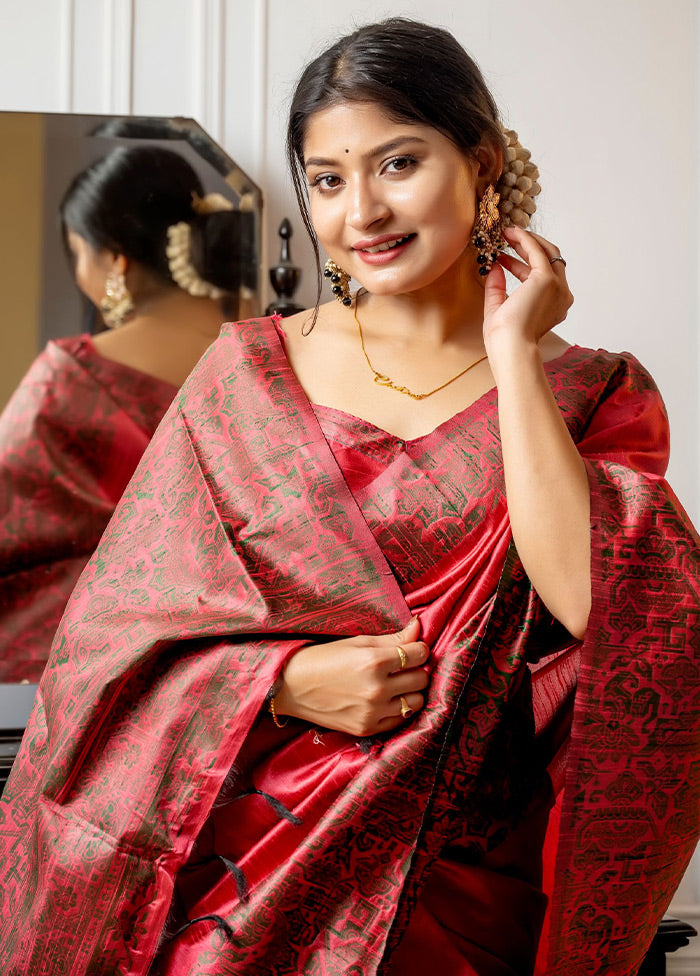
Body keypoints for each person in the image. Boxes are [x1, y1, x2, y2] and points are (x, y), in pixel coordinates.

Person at [0, 17, 698, 976]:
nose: (361, 210)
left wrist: (513, 359)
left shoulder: (595, 393)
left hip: (460, 904)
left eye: (398, 163)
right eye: (327, 180)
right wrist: (278, 686)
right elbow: (105, 640)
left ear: (481, 164)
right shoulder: (244, 374)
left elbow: (604, 610)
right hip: (231, 890)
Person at [0, 145, 256, 682]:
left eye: (79, 252)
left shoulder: (72, 375)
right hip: (240, 648)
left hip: (92, 647)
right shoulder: (265, 353)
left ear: (114, 259)